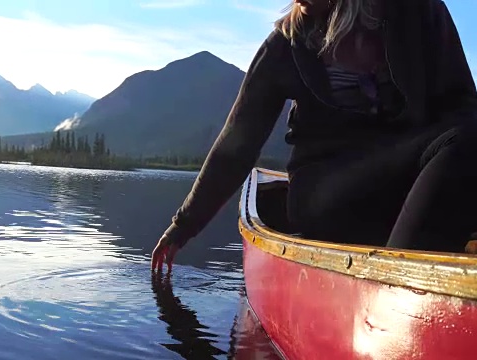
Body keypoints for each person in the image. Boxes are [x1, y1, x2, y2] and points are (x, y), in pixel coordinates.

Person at [151, 0, 477, 273]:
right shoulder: (284, 45)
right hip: (323, 190)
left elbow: (462, 106)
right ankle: (398, 291)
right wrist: (183, 225)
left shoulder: (418, 12)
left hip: (406, 181)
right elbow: (237, 145)